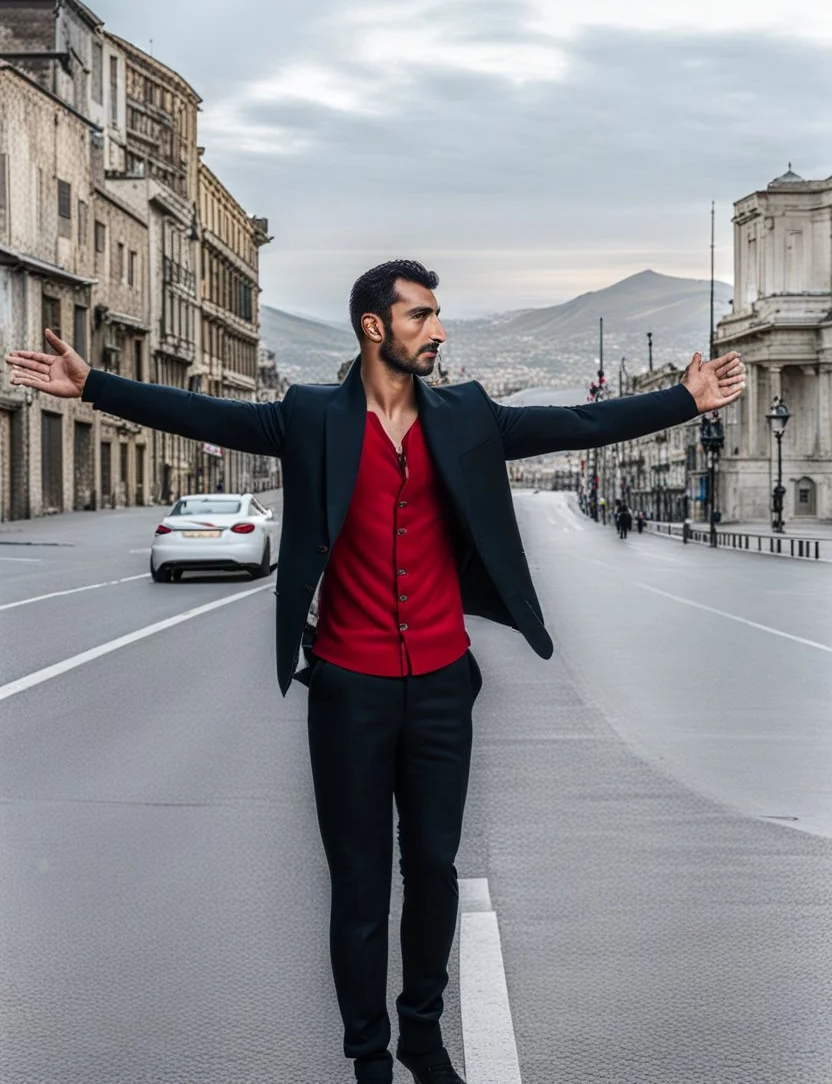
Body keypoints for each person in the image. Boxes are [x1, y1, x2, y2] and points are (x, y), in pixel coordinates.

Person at [6, 260, 747, 1084]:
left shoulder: (466, 416)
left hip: (439, 684)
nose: (438, 331)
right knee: (358, 886)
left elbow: (573, 421)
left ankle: (422, 1039)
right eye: (422, 316)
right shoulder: (311, 417)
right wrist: (96, 386)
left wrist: (684, 400)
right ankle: (368, 1060)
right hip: (348, 689)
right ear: (373, 327)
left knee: (431, 868)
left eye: (438, 316)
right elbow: (198, 409)